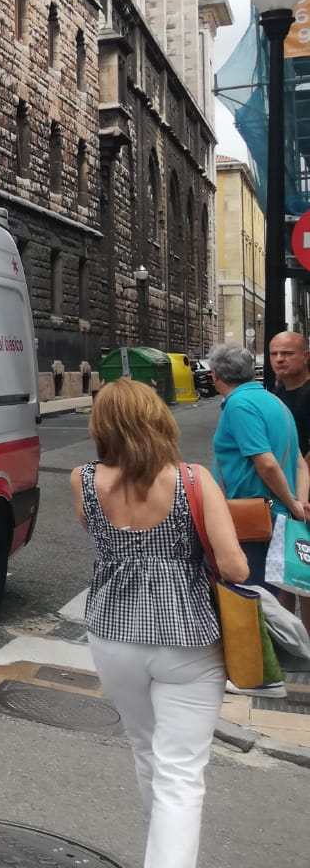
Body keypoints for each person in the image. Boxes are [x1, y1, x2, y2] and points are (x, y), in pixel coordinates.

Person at [71, 378, 249, 868]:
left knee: (146, 753)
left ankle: (161, 851)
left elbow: (103, 542)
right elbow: (235, 568)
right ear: (157, 419)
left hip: (112, 634)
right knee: (182, 773)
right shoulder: (192, 479)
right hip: (187, 638)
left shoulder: (83, 479)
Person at [208, 342, 309, 589]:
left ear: (215, 375)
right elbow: (299, 465)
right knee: (269, 598)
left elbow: (267, 464)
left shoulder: (239, 405)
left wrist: (295, 506)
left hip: (251, 519)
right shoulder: (276, 403)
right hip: (274, 516)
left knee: (249, 599)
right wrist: (299, 503)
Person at [269, 330, 310, 459]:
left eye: (287, 353)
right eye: (274, 354)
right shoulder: (278, 392)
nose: (279, 359)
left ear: (306, 357)